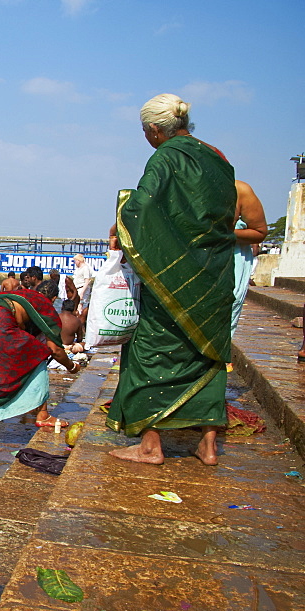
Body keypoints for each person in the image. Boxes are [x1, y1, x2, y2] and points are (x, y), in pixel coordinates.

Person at [106, 93, 236, 466]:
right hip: (214, 272)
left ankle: (149, 446)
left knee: (149, 351)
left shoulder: (166, 156)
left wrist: (121, 218)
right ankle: (208, 446)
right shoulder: (217, 158)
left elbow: (142, 207)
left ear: (153, 130)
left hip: (174, 276)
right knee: (208, 354)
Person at [0, 285, 79, 446]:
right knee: (39, 353)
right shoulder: (44, 306)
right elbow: (55, 350)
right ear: (53, 299)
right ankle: (43, 415)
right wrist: (72, 366)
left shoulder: (17, 294)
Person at [229, 180, 268, 353]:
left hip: (231, 264)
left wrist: (221, 234)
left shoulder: (240, 190)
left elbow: (259, 232)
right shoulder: (176, 186)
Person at [72, 254, 94, 320]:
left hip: (82, 288)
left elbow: (87, 281)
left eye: (75, 261)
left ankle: (80, 320)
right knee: (76, 305)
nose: (74, 262)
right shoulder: (78, 268)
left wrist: (82, 292)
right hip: (77, 288)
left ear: (79, 261)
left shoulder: (85, 268)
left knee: (80, 305)